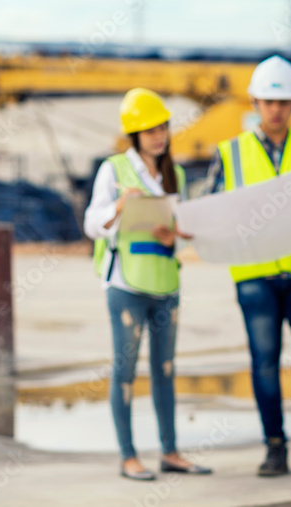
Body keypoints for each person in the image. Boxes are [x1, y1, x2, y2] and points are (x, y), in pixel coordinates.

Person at [204, 55, 291, 476]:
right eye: (269, 101)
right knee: (264, 362)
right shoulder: (230, 152)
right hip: (253, 277)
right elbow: (211, 207)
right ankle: (274, 447)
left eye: (283, 101)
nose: (276, 109)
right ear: (254, 102)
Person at [84, 88, 211, 481]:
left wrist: (176, 236)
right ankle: (128, 456)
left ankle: (170, 452)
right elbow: (91, 224)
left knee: (166, 369)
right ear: (134, 134)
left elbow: (183, 228)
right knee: (125, 370)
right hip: (126, 284)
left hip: (165, 283)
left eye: (163, 127)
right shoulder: (114, 170)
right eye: (149, 129)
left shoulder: (177, 175)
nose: (159, 135)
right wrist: (119, 207)